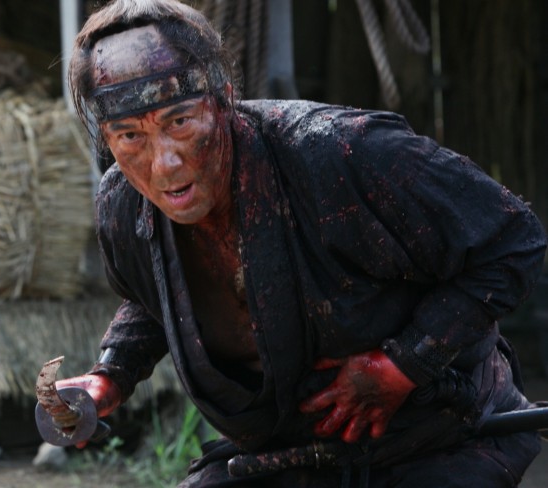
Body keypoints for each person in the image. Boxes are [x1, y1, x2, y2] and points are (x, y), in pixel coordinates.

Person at [47, 0, 548, 486]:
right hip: (279, 457)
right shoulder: (124, 205)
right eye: (130, 136)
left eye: (179, 122)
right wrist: (111, 375)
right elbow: (155, 295)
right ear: (107, 139)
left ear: (223, 100)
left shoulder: (338, 154)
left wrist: (404, 364)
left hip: (435, 439)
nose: (164, 164)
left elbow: (512, 239)